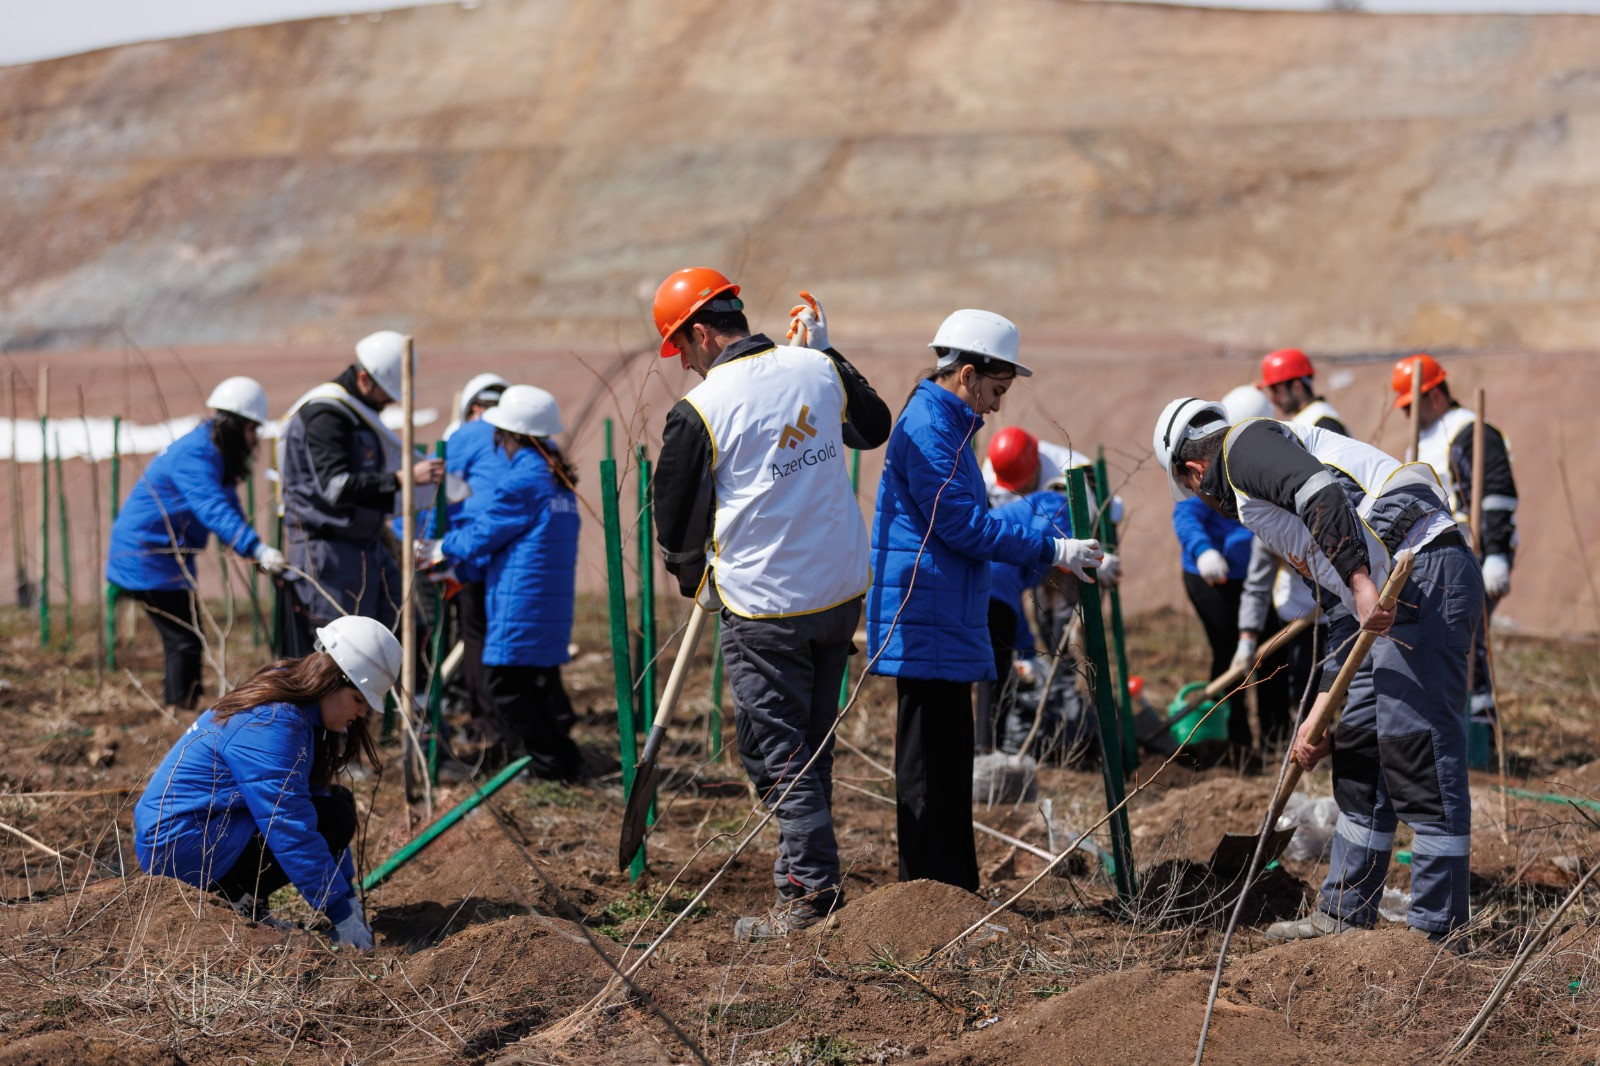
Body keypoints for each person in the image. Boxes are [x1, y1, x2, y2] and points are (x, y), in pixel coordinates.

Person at [1154, 396, 1481, 942]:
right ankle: (1344, 915)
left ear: (1194, 471)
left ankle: (1436, 935)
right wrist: (1322, 713)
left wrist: (1359, 582)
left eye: (1194, 493)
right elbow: (1337, 608)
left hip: (1424, 574)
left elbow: (1320, 494)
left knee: (1416, 751)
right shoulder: (1264, 501)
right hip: (1384, 598)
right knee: (1357, 750)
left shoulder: (1245, 447)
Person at [651, 270, 891, 941]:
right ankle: (803, 874)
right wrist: (829, 354)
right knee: (804, 744)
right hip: (839, 592)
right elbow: (873, 429)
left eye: (682, 351)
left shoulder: (701, 408)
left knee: (778, 753)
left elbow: (674, 524)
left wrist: (692, 576)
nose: (687, 366)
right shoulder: (815, 368)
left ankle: (812, 895)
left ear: (700, 334)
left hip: (765, 607)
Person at [867, 309, 1103, 893]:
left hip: (940, 611)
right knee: (927, 764)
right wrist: (1052, 548)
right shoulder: (929, 426)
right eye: (996, 390)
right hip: (922, 615)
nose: (997, 406)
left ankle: (952, 892)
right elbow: (967, 529)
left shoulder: (947, 426)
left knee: (948, 762)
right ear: (968, 374)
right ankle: (922, 895)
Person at [134, 615, 401, 950]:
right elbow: (288, 824)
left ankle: (245, 900)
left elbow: (310, 799)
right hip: (179, 845)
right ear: (334, 680)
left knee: (336, 803)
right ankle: (236, 899)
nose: (362, 714)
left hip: (204, 827)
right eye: (359, 699)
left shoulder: (298, 709)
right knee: (331, 817)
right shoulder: (275, 723)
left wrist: (347, 897)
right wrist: (338, 913)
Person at [424, 385, 585, 781]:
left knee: (504, 687)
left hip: (521, 601)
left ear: (511, 435)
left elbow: (487, 532)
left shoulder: (524, 479)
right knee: (536, 688)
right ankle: (567, 764)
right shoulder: (554, 473)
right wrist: (460, 571)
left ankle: (544, 767)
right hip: (543, 599)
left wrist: (439, 546)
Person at [106, 377, 284, 710]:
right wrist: (255, 547)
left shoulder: (211, 450)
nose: (253, 440)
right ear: (236, 425)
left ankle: (184, 707)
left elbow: (227, 504)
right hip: (146, 554)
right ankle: (178, 714)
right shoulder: (196, 455)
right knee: (184, 639)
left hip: (162, 554)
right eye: (252, 431)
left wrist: (249, 546)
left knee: (188, 635)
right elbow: (212, 507)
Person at [276, 331, 444, 656]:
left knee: (388, 638)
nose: (389, 402)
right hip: (329, 552)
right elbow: (335, 487)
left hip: (365, 546)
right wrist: (402, 478)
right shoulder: (326, 415)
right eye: (387, 393)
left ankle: (383, 708)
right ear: (364, 379)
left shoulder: (357, 414)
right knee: (340, 654)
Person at [1393, 353, 1517, 751]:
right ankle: (1450, 732)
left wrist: (1496, 551)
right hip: (1438, 558)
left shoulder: (1470, 433)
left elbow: (1496, 495)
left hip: (1473, 550)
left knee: (1468, 641)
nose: (1408, 413)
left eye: (1412, 405)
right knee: (1447, 642)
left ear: (1435, 395)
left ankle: (1481, 737)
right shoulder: (1425, 438)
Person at [440, 373, 509, 744]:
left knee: (476, 637)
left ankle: (487, 726)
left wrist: (439, 547)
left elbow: (440, 494)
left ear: (475, 409)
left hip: (475, 555)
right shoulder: (532, 438)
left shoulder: (466, 435)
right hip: (520, 559)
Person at [1257, 348, 1349, 435]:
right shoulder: (1310, 419)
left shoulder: (1324, 423)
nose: (1273, 399)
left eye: (1276, 390)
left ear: (1297, 387)